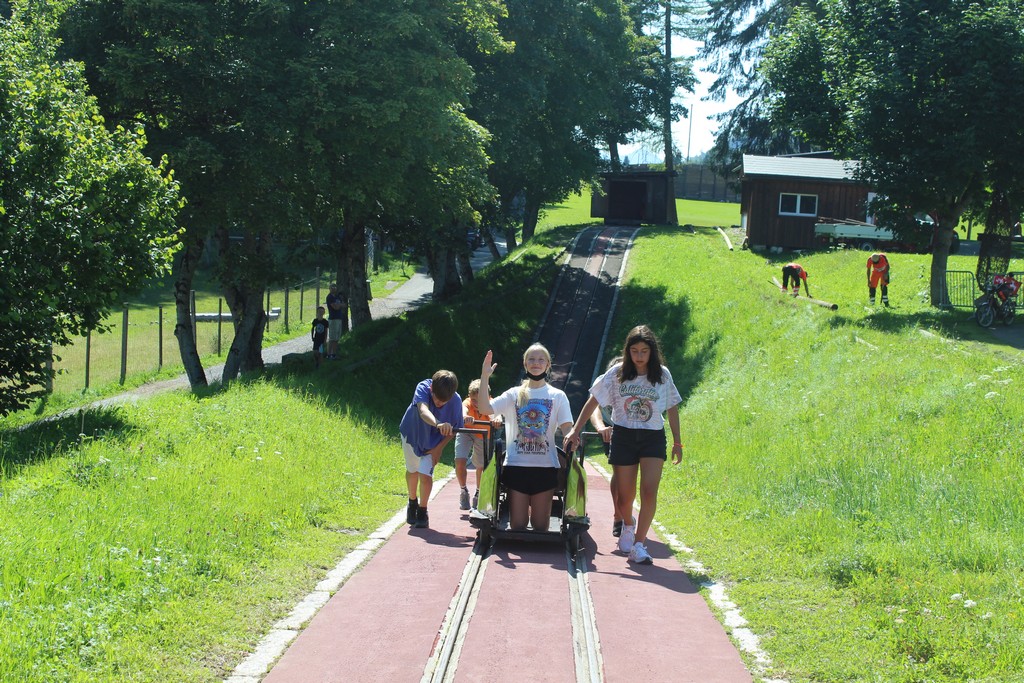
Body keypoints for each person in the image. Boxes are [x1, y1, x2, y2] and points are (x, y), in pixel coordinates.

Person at [564, 325, 683, 565]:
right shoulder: (616, 373)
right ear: (627, 351)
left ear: (652, 352)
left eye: (644, 351)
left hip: (652, 436)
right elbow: (593, 402)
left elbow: (672, 408)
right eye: (635, 351)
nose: (639, 356)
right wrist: (576, 430)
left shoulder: (663, 375)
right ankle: (628, 524)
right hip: (624, 436)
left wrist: (678, 442)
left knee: (649, 491)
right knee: (623, 498)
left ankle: (639, 544)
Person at [478, 344, 573, 532]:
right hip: (516, 466)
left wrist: (571, 434)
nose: (536, 363)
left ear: (548, 365)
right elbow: (484, 409)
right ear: (525, 363)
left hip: (545, 468)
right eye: (531, 359)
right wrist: (484, 376)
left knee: (540, 527)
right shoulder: (513, 394)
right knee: (518, 526)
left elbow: (567, 427)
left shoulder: (557, 396)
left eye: (540, 360)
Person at [399, 370, 463, 529]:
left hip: (433, 442)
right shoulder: (423, 387)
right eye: (436, 399)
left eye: (444, 402)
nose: (439, 403)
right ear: (431, 389)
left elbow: (455, 428)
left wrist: (438, 449)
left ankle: (423, 510)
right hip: (412, 434)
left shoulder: (456, 401)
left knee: (425, 475)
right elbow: (423, 411)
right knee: (412, 470)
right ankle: (412, 501)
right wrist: (438, 423)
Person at [454, 379, 502, 510]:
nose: (476, 404)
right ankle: (463, 490)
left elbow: (496, 415)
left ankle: (478, 492)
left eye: (479, 401)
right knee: (459, 460)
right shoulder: (467, 403)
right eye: (473, 400)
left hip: (482, 435)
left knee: (481, 465)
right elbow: (463, 410)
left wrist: (497, 419)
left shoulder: (491, 404)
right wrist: (464, 416)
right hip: (467, 431)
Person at [325, 283, 344, 359]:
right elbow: (335, 307)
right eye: (332, 287)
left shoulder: (337, 297)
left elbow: (344, 305)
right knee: (332, 337)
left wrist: (339, 305)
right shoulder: (329, 297)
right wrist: (340, 305)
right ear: (329, 288)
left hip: (339, 318)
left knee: (337, 337)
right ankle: (329, 354)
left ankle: (334, 354)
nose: (333, 288)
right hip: (333, 319)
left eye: (335, 287)